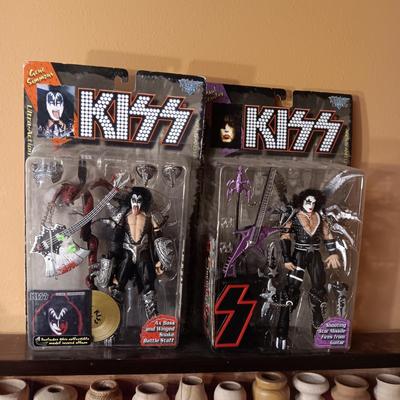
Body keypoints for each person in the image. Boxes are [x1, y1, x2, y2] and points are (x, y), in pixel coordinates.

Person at [276, 189, 340, 349]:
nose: (311, 205)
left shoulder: (320, 217)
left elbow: (327, 234)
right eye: (308, 201)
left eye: (313, 202)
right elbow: (285, 236)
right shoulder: (294, 217)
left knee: (319, 290)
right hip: (299, 255)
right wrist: (286, 258)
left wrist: (333, 253)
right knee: (291, 291)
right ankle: (281, 331)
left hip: (315, 256)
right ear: (301, 201)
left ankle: (318, 329)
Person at [107, 187, 169, 320]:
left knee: (149, 284)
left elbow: (158, 237)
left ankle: (153, 317)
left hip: (144, 254)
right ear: (130, 201)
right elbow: (116, 239)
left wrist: (160, 259)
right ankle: (112, 316)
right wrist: (112, 261)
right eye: (133, 200)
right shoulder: (123, 216)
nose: (136, 204)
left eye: (139, 201)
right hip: (127, 254)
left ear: (143, 202)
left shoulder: (150, 216)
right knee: (118, 284)